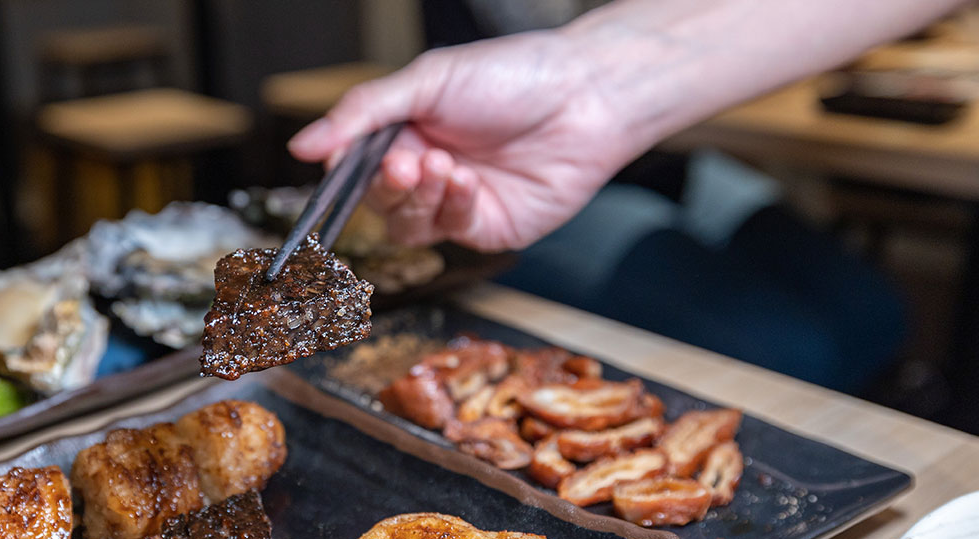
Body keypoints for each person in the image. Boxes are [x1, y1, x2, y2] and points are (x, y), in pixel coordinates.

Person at [288, 0, 966, 392]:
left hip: (668, 155)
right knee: (794, 349)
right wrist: (585, 86)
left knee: (874, 311)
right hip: (525, 162)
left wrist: (594, 88)